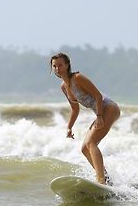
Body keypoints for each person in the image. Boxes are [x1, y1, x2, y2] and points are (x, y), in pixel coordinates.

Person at [50, 52, 120, 185]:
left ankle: (101, 181)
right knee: (84, 148)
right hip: (101, 112)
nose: (57, 68)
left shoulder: (77, 78)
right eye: (55, 66)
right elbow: (75, 109)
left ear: (67, 65)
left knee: (91, 143)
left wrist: (99, 116)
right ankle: (106, 178)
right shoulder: (64, 87)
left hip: (109, 108)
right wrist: (69, 127)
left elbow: (98, 96)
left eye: (60, 65)